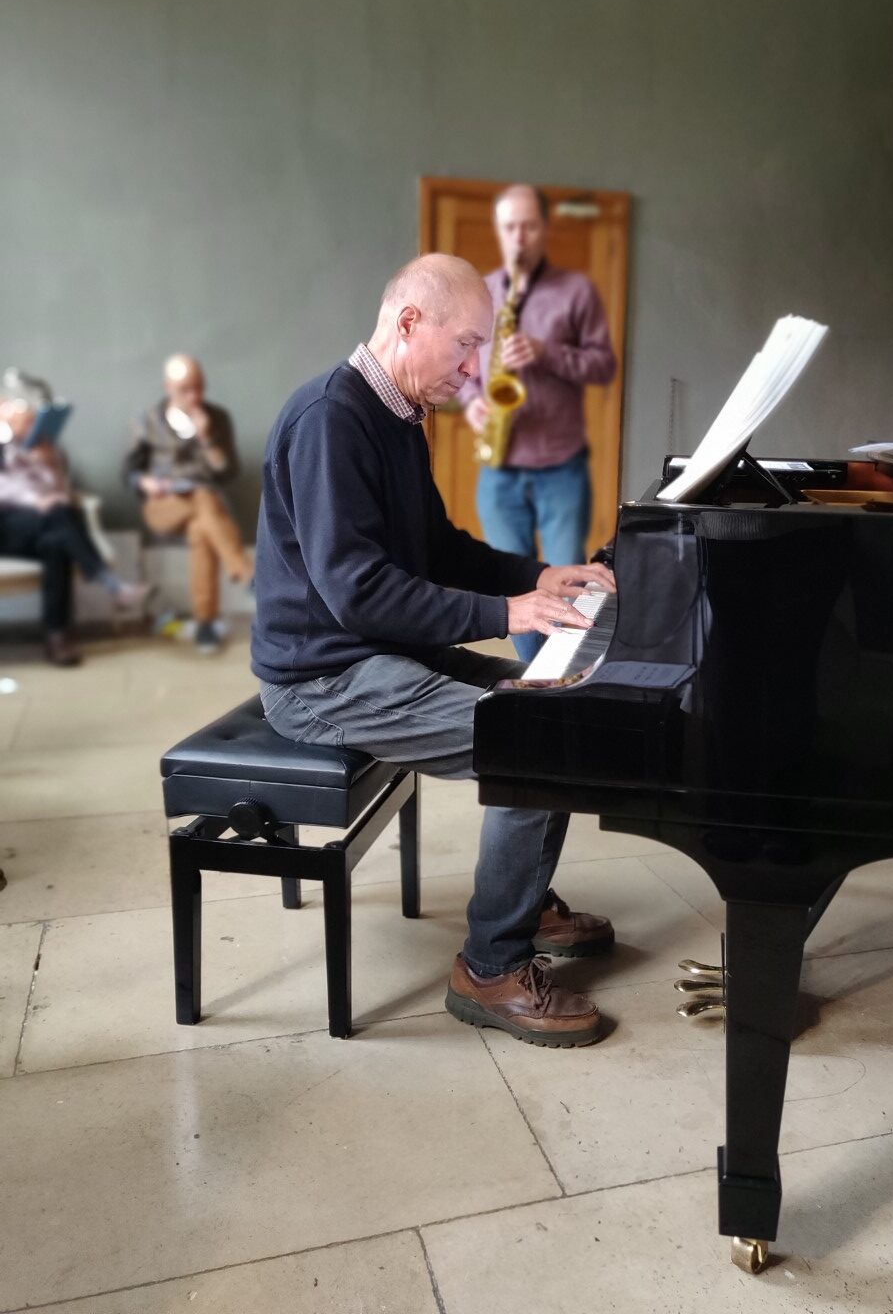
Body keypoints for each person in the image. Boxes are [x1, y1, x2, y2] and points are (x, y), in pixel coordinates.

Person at [252, 253, 617, 1048]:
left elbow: (438, 549)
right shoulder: (329, 419)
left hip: (371, 652)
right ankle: (490, 967)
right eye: (466, 344)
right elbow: (358, 591)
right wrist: (508, 608)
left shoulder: (396, 413)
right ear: (408, 322)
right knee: (531, 740)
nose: (473, 368)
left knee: (549, 702)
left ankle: (521, 901)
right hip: (324, 678)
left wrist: (538, 574)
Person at [460, 184, 616, 662]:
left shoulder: (576, 292)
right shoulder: (483, 291)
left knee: (567, 583)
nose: (519, 237)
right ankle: (537, 682)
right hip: (500, 465)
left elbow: (602, 366)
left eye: (529, 226)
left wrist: (548, 354)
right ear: (499, 231)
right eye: (509, 227)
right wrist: (471, 401)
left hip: (561, 468)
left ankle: (563, 678)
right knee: (516, 584)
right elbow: (464, 360)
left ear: (544, 229)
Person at [0, 372, 151, 666]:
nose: (26, 419)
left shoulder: (39, 447)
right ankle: (111, 585)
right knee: (58, 515)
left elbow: (64, 494)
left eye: (31, 414)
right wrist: (39, 501)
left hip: (39, 526)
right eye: (20, 412)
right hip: (4, 527)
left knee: (56, 542)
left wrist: (50, 463)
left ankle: (57, 637)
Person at [124, 354, 253, 655]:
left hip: (204, 507)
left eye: (199, 387)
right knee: (204, 498)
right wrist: (144, 482)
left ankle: (205, 624)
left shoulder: (216, 418)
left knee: (200, 529)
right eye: (185, 389)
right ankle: (247, 574)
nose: (194, 396)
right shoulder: (146, 421)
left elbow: (227, 471)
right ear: (168, 387)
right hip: (162, 505)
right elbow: (129, 472)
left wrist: (206, 438)